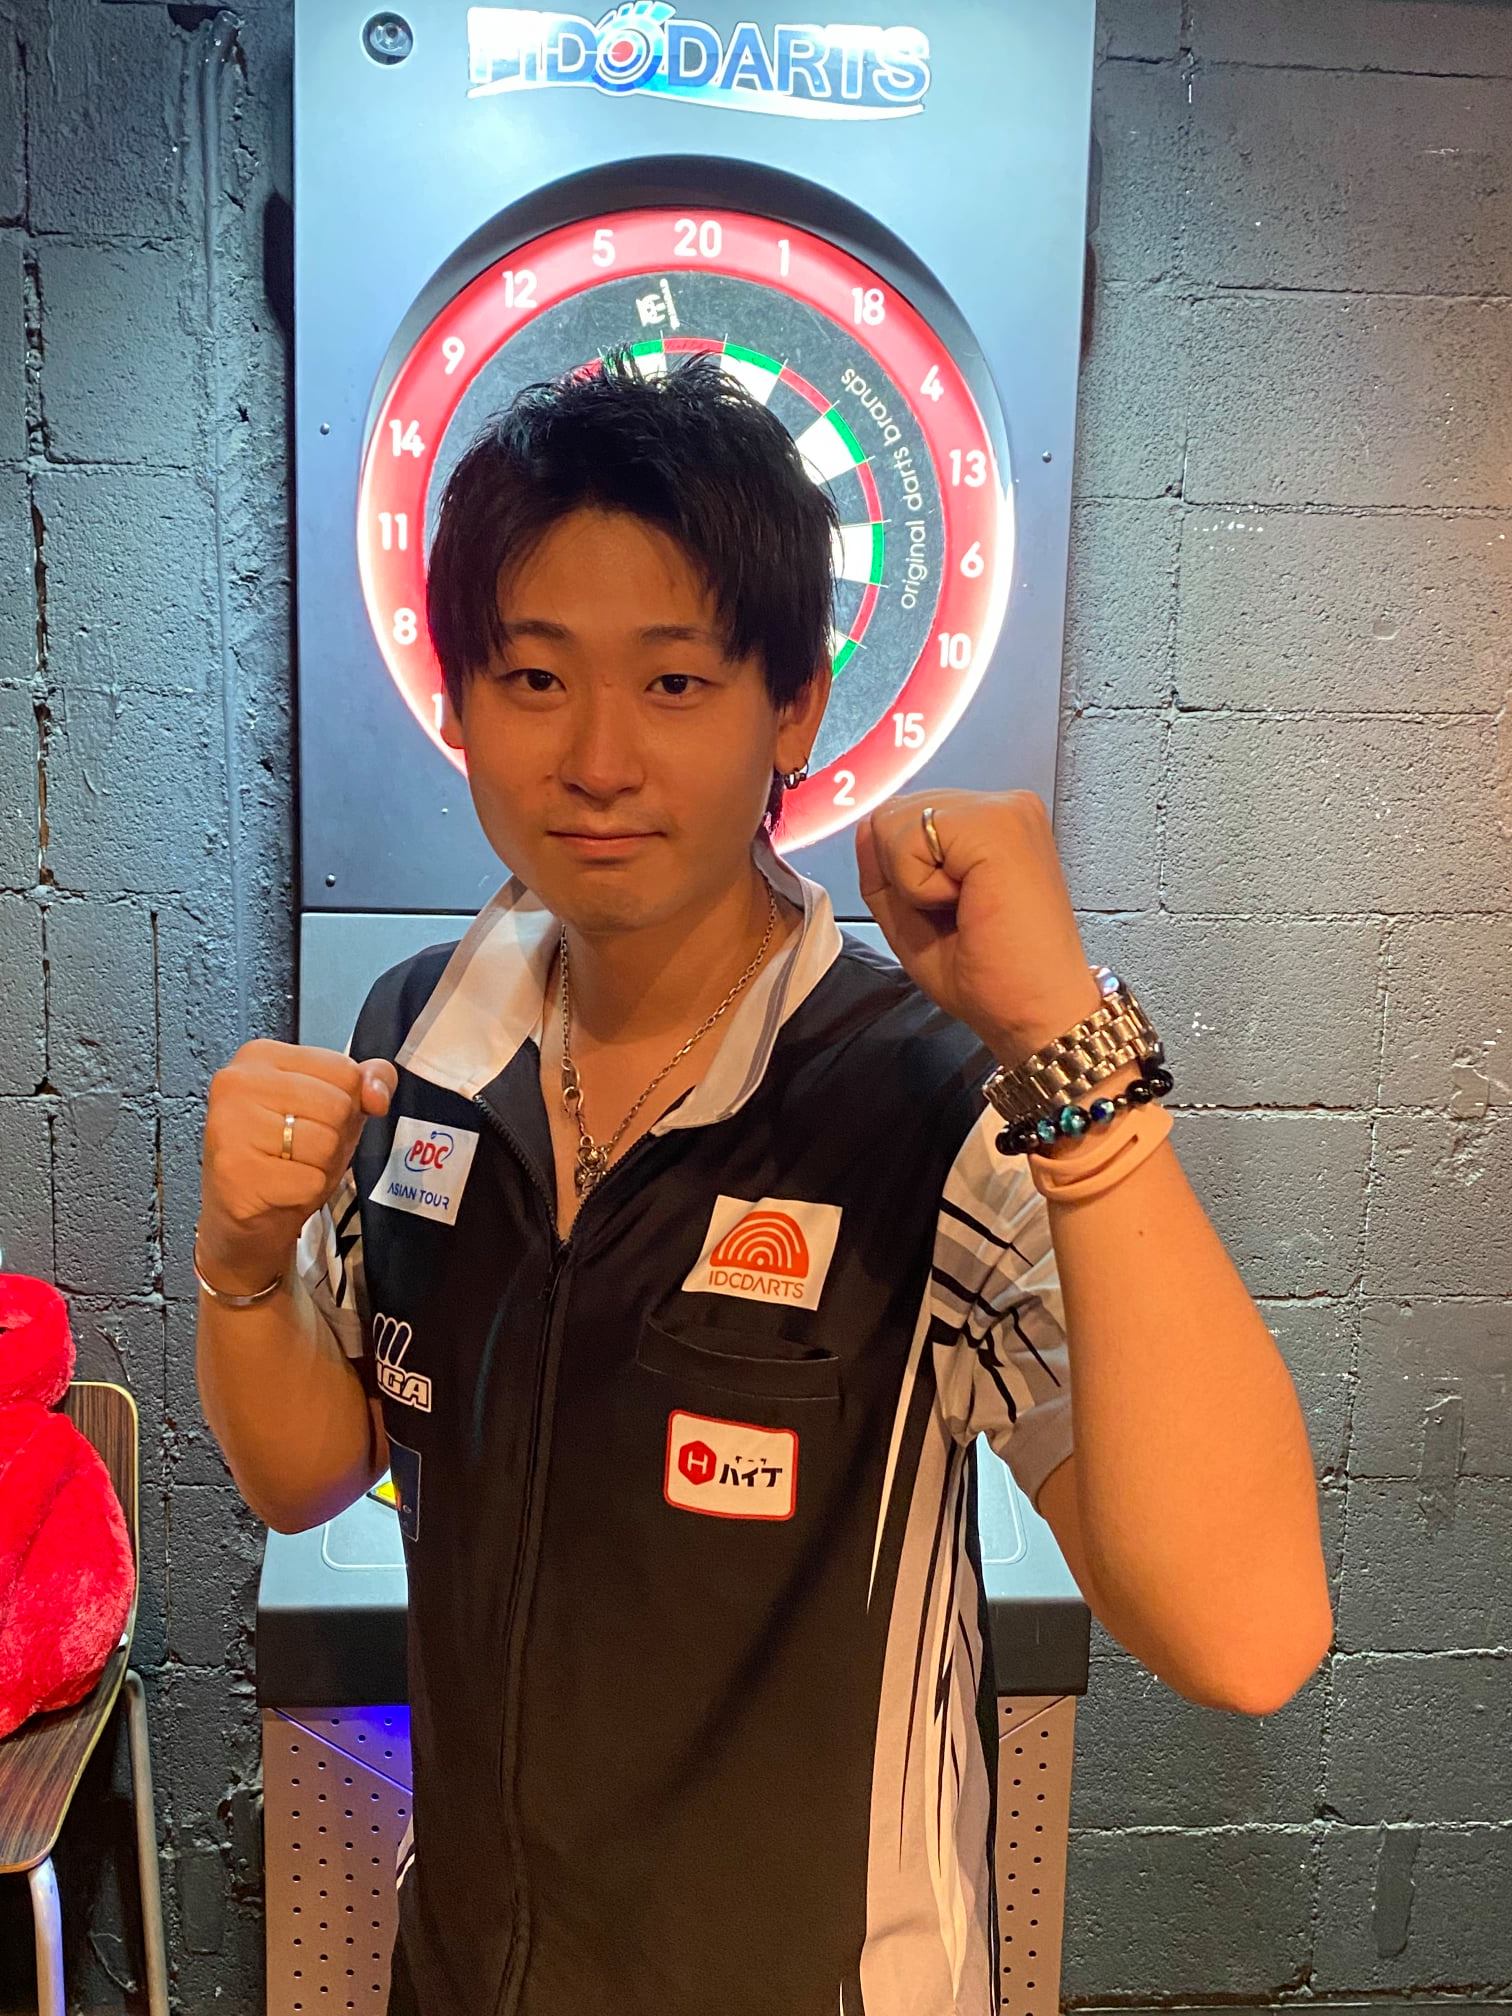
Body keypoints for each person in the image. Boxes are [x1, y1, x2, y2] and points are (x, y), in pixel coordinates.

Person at [195, 351, 1331, 2016]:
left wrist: (1070, 1057)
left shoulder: (929, 1104)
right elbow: (312, 1475)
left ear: (793, 707)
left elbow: (1250, 1637)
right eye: (532, 677)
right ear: (461, 702)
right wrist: (242, 1266)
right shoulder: (418, 1038)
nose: (597, 759)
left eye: (675, 682)